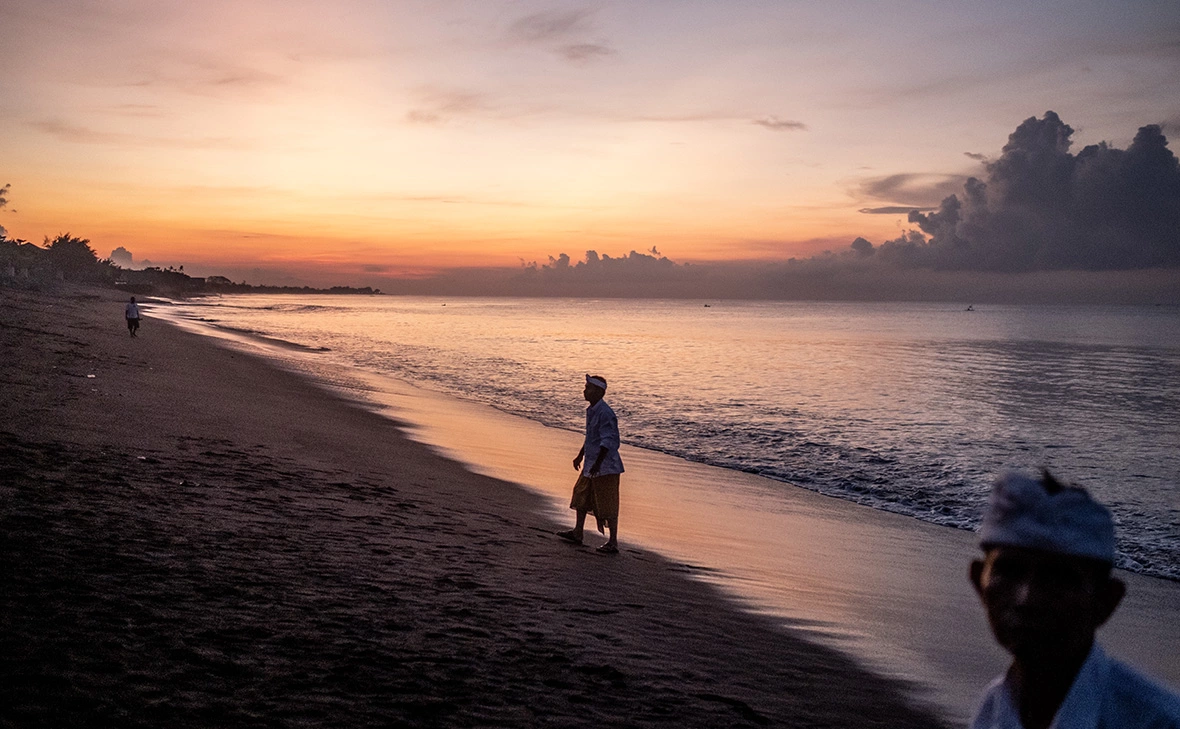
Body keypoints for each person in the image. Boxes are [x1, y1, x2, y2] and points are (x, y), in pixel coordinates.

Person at [969, 471, 1180, 729]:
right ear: (980, 582)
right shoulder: (994, 709)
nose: (1027, 599)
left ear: (1105, 602)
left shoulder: (1158, 720)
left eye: (1058, 579)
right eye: (1009, 571)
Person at [557, 374, 624, 554]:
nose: (584, 391)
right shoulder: (593, 410)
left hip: (605, 467)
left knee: (607, 503)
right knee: (581, 494)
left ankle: (613, 542)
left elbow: (607, 441)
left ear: (599, 392)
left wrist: (597, 464)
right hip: (592, 463)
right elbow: (590, 438)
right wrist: (580, 456)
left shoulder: (605, 413)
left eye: (588, 388)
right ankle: (578, 532)